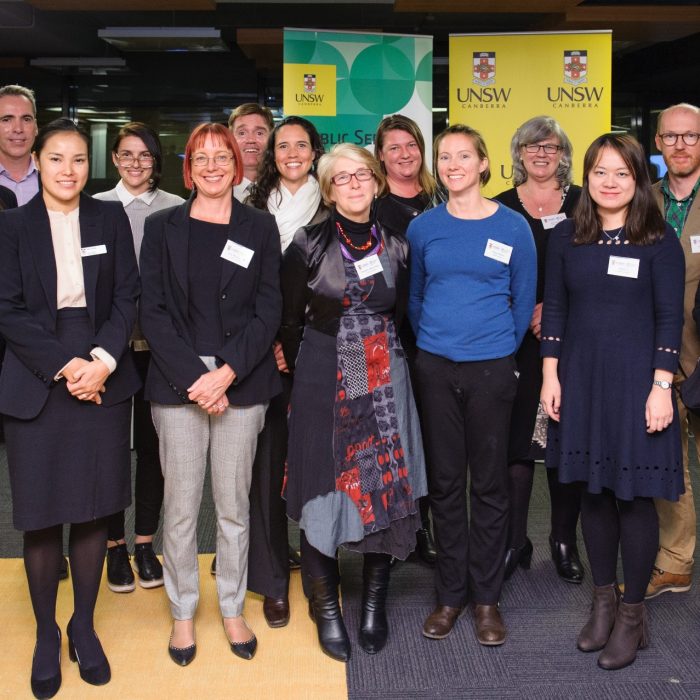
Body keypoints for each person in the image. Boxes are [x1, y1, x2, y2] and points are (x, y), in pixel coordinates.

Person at [0, 117, 141, 697]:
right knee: (41, 514)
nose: (68, 170)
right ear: (38, 160)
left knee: (92, 508)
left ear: (91, 165)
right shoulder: (11, 225)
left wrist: (102, 359)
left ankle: (84, 627)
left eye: (79, 159)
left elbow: (128, 294)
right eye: (56, 159)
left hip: (102, 371)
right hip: (39, 373)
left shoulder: (110, 218)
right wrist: (66, 366)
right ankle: (44, 633)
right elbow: (6, 309)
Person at [139, 122, 282, 666]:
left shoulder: (259, 227)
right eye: (203, 158)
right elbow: (151, 310)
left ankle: (230, 606)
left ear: (236, 166)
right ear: (189, 168)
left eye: (224, 157)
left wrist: (225, 374)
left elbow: (268, 308)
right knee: (178, 508)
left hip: (240, 383)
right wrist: (196, 380)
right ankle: (182, 611)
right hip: (178, 382)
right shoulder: (162, 226)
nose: (214, 166)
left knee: (232, 506)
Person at [540, 133, 684, 670]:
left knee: (633, 498)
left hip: (638, 384)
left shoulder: (659, 239)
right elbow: (553, 310)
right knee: (591, 493)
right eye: (599, 171)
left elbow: (670, 318)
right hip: (580, 380)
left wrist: (661, 387)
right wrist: (550, 377)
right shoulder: (566, 238)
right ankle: (601, 603)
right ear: (586, 177)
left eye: (621, 172)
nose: (608, 181)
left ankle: (631, 615)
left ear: (637, 180)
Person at [280, 143, 428, 662]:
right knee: (325, 484)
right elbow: (290, 319)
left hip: (385, 376)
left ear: (377, 181)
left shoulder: (397, 245)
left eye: (362, 174)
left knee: (379, 486)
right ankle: (327, 608)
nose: (355, 183)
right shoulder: (307, 243)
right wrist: (312, 370)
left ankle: (373, 604)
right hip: (324, 371)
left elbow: (405, 314)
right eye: (343, 177)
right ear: (328, 188)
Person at [408, 124, 536, 646]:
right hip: (436, 367)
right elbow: (414, 298)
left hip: (492, 368)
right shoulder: (423, 228)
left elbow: (524, 299)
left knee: (488, 484)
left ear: (485, 164)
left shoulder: (514, 227)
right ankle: (450, 594)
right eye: (445, 157)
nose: (454, 165)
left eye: (464, 156)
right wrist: (437, 344)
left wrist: (495, 347)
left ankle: (486, 599)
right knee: (444, 484)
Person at [94, 122, 184, 593]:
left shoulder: (177, 209)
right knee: (110, 449)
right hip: (108, 350)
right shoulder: (97, 209)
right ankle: (113, 548)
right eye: (127, 155)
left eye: (145, 155)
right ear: (114, 160)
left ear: (156, 160)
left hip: (159, 350)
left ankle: (145, 542)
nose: (135, 163)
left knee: (155, 449)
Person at [494, 116, 584, 583]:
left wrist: (554, 308)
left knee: (565, 441)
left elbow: (599, 266)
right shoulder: (500, 208)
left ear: (563, 153)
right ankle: (515, 541)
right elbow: (490, 276)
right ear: (519, 154)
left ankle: (563, 541)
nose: (541, 154)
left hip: (575, 340)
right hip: (516, 341)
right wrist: (525, 307)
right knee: (516, 445)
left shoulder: (585, 203)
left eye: (550, 147)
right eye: (532, 146)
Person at [246, 115, 327, 627]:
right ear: (271, 154)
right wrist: (271, 340)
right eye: (283, 146)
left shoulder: (336, 199)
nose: (291, 153)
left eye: (302, 145)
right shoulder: (250, 205)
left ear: (316, 152)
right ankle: (272, 579)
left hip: (322, 351)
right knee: (266, 466)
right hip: (262, 353)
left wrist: (294, 342)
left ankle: (322, 575)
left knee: (321, 462)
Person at [373, 113, 438, 565]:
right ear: (381, 156)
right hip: (391, 335)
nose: (404, 154)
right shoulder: (374, 207)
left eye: (410, 145)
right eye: (393, 147)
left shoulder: (442, 199)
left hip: (437, 333)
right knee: (393, 435)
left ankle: (427, 525)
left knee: (432, 435)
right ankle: (399, 529)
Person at [645, 102, 700, 598]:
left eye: (691, 136)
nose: (680, 145)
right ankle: (675, 560)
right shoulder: (644, 200)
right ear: (658, 143)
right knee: (669, 467)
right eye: (671, 137)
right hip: (658, 356)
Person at [0, 84, 39, 204]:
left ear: (36, 127)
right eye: (6, 119)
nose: (18, 129)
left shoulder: (55, 179)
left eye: (26, 119)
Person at [228, 103, 274, 202]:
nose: (250, 140)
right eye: (242, 133)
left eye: (259, 133)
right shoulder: (215, 190)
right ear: (230, 139)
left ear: (271, 138)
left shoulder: (284, 188)